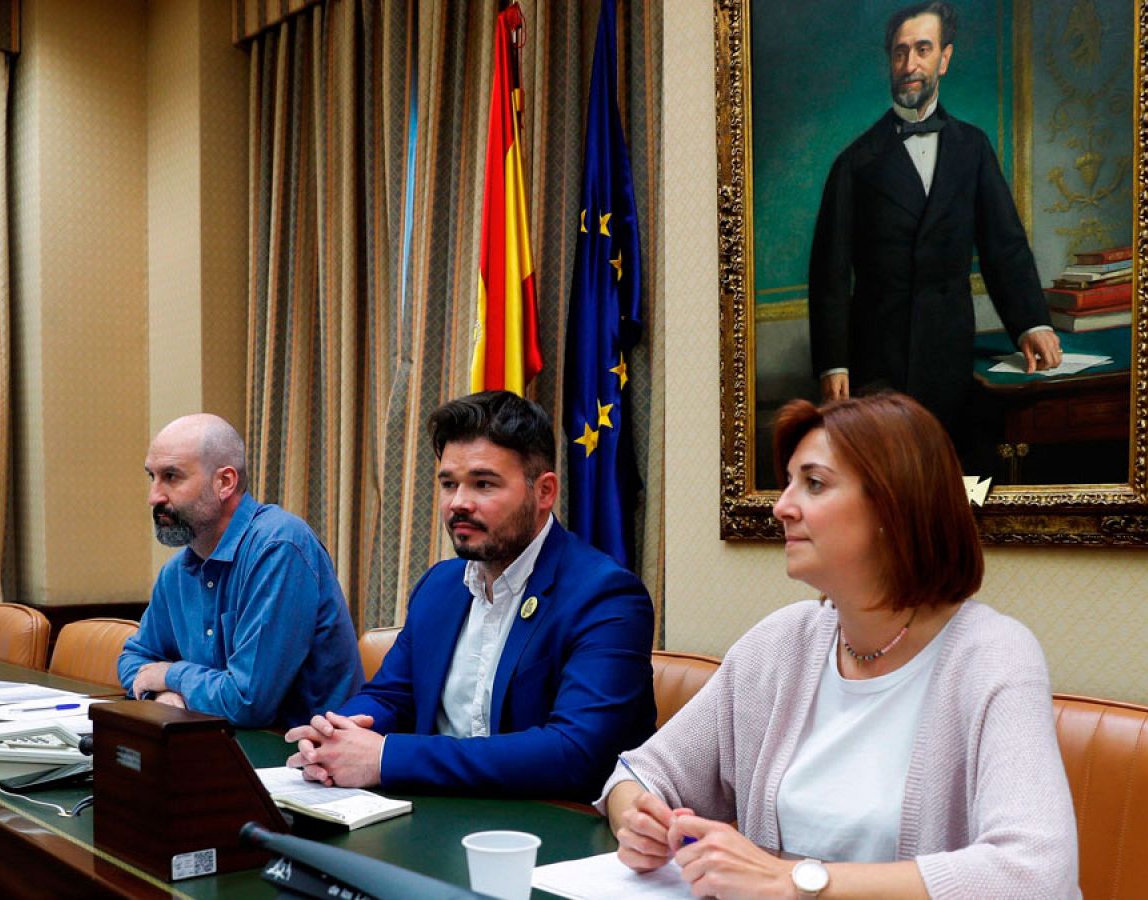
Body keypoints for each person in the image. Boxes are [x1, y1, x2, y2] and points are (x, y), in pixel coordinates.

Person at [600, 392, 1078, 898]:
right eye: (787, 484)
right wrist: (639, 819)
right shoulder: (781, 643)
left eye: (813, 484)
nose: (782, 507)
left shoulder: (994, 656)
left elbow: (1035, 873)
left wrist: (795, 882)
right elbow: (638, 773)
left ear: (892, 505)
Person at [283, 391, 656, 800]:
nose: (458, 503)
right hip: (438, 820)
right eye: (448, 484)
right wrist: (338, 734)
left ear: (544, 492)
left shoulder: (606, 596)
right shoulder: (440, 586)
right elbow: (393, 695)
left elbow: (575, 753)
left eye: (483, 484)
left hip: (553, 833)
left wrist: (387, 757)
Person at [808, 1, 1063, 459]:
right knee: (891, 495)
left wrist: (1031, 322)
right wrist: (833, 362)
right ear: (889, 60)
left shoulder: (974, 147)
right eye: (900, 52)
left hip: (951, 356)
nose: (910, 65)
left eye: (922, 50)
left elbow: (1004, 247)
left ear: (944, 58)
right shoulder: (854, 163)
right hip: (877, 366)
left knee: (959, 488)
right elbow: (828, 276)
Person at [117, 413, 363, 729]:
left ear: (225, 482)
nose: (154, 496)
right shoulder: (177, 571)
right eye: (152, 476)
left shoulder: (279, 548)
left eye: (172, 477)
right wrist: (161, 696)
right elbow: (133, 659)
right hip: (219, 749)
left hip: (302, 760)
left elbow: (247, 702)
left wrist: (169, 675)